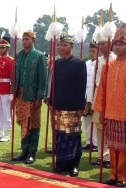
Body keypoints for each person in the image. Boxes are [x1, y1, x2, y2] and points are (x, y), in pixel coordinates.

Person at [94, 24, 126, 187]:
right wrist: (101, 111)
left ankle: (123, 176)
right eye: (115, 44)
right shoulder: (106, 66)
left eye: (121, 44)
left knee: (124, 148)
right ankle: (113, 175)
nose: (117, 47)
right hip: (109, 112)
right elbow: (102, 89)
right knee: (112, 146)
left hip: (125, 114)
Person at [48, 34, 86, 177]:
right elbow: (52, 84)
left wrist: (81, 107)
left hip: (73, 106)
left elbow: (81, 86)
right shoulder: (56, 63)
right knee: (60, 135)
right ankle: (61, 163)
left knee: (73, 135)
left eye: (64, 45)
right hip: (58, 104)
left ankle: (74, 165)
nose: (60, 47)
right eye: (59, 45)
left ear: (71, 46)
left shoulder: (79, 63)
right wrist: (51, 101)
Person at [12, 31, 47, 164]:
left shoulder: (39, 56)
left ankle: (32, 152)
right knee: (23, 123)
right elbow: (14, 76)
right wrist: (13, 93)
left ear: (33, 40)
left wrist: (39, 97)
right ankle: (24, 150)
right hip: (20, 95)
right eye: (23, 39)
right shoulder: (19, 55)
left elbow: (43, 79)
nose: (24, 41)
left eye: (27, 39)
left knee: (33, 124)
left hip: (32, 96)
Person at [91, 28, 116, 168]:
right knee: (99, 127)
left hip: (112, 96)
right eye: (99, 44)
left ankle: (110, 155)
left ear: (110, 43)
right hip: (98, 95)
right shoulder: (97, 61)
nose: (101, 47)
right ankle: (102, 155)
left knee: (110, 127)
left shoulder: (115, 59)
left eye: (104, 43)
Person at [82, 42, 98, 152]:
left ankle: (96, 142)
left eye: (94, 51)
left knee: (95, 120)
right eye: (90, 51)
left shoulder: (100, 63)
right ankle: (88, 141)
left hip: (95, 95)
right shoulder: (85, 64)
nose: (91, 53)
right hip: (85, 95)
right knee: (86, 119)